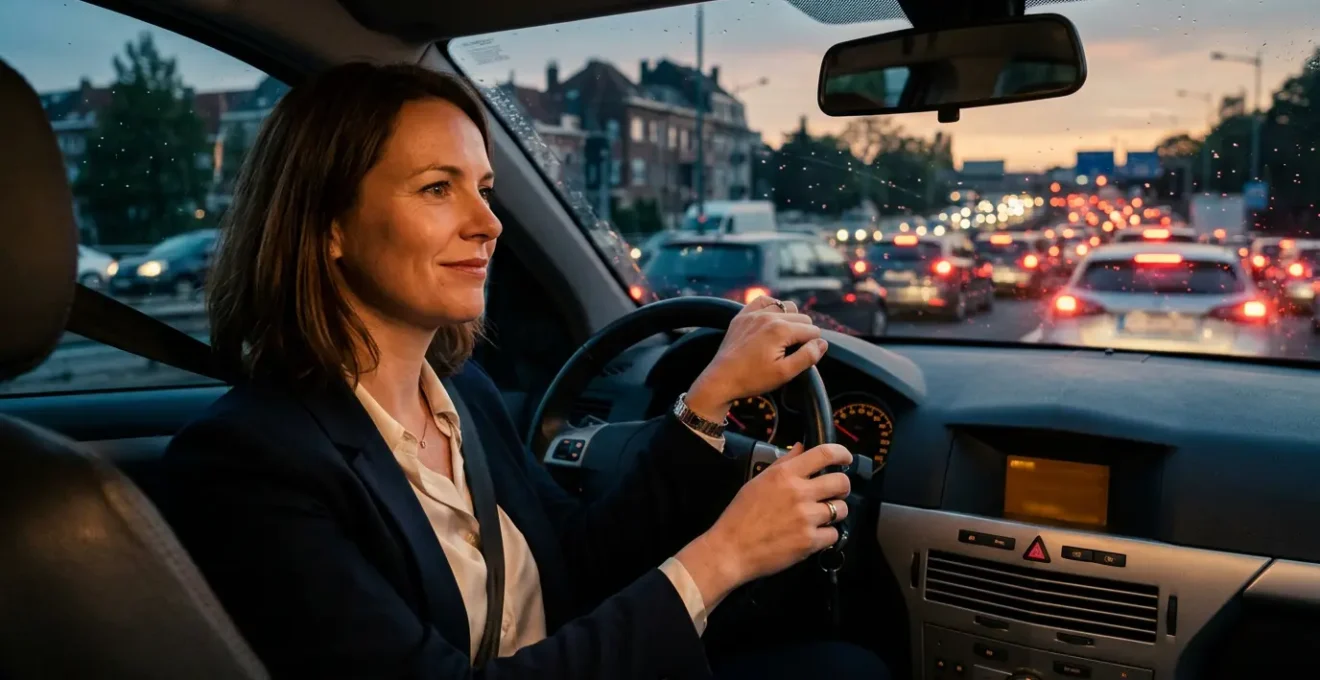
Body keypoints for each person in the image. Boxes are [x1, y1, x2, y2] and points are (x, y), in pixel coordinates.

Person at [160, 62, 888, 679]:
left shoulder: (460, 391)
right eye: (438, 188)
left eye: (483, 186)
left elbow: (575, 562)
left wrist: (708, 400)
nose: (489, 221)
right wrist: (725, 556)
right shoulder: (248, 463)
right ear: (330, 227)